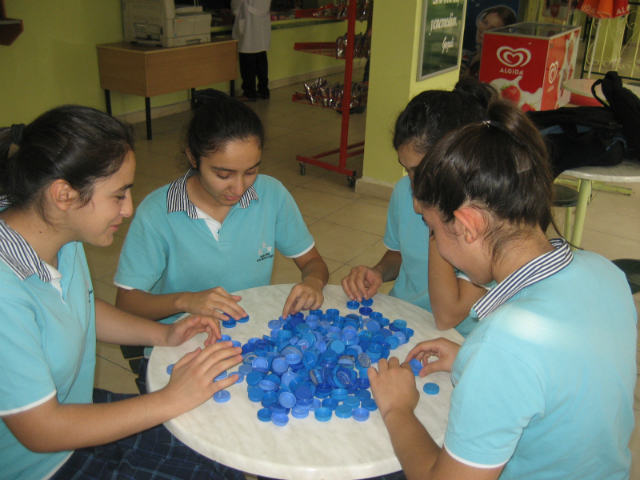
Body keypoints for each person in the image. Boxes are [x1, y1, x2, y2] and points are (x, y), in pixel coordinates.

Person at [368, 98, 637, 480]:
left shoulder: (500, 346)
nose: (437, 246)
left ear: (468, 225)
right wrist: (467, 360)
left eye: (433, 230)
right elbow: (559, 382)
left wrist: (398, 410)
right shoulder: (606, 274)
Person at [0, 106, 245, 480]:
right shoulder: (6, 291)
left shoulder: (57, 233)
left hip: (74, 411)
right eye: (119, 195)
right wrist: (168, 399)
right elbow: (41, 431)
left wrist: (164, 333)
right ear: (64, 194)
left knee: (217, 453)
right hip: (40, 463)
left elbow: (80, 309)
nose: (129, 209)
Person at [115, 91, 329, 390]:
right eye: (223, 174)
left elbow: (313, 262)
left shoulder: (272, 195)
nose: (239, 187)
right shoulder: (157, 212)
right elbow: (126, 304)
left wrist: (313, 283)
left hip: (250, 340)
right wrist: (187, 300)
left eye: (251, 171)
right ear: (193, 157)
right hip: (179, 346)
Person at [341, 79, 495, 337]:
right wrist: (378, 271)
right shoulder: (405, 191)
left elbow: (447, 315)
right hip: (403, 317)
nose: (414, 187)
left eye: (420, 172)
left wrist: (437, 222)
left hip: (455, 337)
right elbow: (401, 255)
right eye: (408, 171)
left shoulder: (485, 213)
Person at [460, 5, 517, 80]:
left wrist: (468, 80)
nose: (484, 29)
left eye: (492, 29)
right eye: (485, 22)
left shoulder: (497, 67)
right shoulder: (466, 56)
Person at [232, 0, 272, 101]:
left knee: (248, 62)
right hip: (260, 26)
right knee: (261, 60)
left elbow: (235, 7)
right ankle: (263, 90)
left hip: (248, 27)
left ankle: (249, 93)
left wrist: (238, 9)